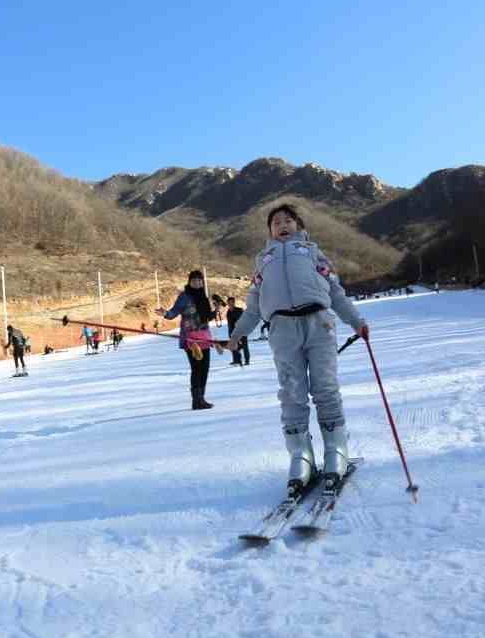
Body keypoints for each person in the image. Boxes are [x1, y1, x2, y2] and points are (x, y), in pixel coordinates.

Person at [226, 204, 369, 495]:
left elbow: (336, 293)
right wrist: (237, 334)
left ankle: (335, 450)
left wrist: (357, 322)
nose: (282, 225)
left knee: (325, 387)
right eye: (276, 222)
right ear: (269, 231)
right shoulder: (263, 261)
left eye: (288, 220)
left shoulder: (313, 253)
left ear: (299, 226)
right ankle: (301, 455)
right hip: (282, 330)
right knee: (292, 393)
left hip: (319, 324)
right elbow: (253, 307)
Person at [158, 269, 220, 410]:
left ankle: (201, 398)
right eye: (194, 281)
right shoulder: (184, 297)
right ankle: (196, 400)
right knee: (196, 368)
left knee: (205, 368)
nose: (197, 283)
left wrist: (216, 310)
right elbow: (173, 313)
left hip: (204, 337)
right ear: (189, 282)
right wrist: (165, 313)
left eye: (199, 280)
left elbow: (207, 317)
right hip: (191, 338)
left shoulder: (203, 297)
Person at [226, 296, 249, 366]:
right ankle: (236, 360)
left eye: (231, 303)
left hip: (241, 330)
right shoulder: (228, 312)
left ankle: (247, 361)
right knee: (233, 346)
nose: (230, 304)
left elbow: (243, 320)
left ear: (234, 302)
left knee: (245, 346)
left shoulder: (239, 310)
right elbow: (229, 324)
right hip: (232, 332)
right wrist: (230, 333)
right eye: (228, 303)